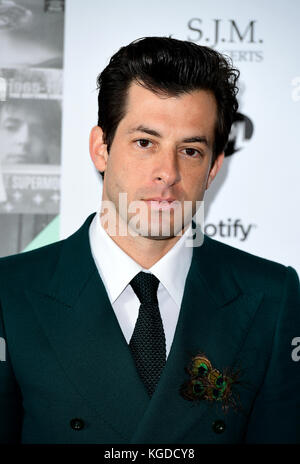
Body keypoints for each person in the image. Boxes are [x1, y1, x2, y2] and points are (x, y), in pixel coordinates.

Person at [0, 37, 299, 444]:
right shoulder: (9, 291)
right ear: (101, 149)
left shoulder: (272, 297)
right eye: (145, 143)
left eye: (191, 150)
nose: (168, 173)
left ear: (213, 169)